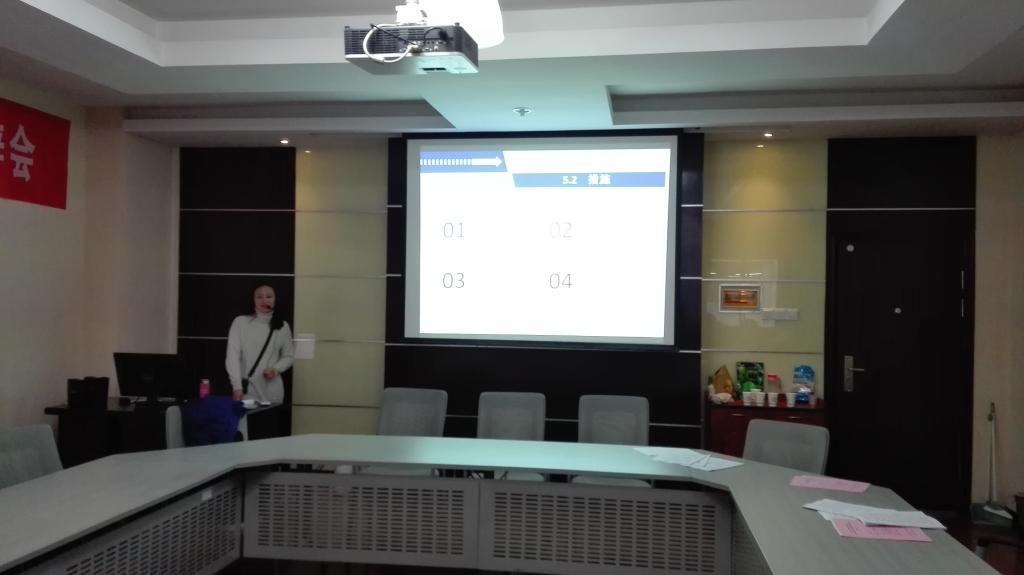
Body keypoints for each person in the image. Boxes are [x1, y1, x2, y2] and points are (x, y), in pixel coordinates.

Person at [225, 285, 294, 404]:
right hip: (248, 392)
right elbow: (232, 357)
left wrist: (276, 369)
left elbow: (289, 356)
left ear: (275, 299)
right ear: (253, 300)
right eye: (259, 297)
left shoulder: (283, 326)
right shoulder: (240, 323)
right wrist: (237, 387)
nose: (264, 300)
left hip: (274, 392)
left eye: (269, 296)